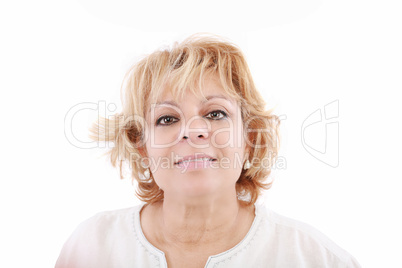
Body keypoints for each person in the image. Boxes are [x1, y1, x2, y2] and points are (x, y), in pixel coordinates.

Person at [56, 34, 360, 268]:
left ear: (250, 136)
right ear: (142, 147)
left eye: (215, 113)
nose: (193, 130)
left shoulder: (311, 257)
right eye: (167, 119)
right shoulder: (92, 247)